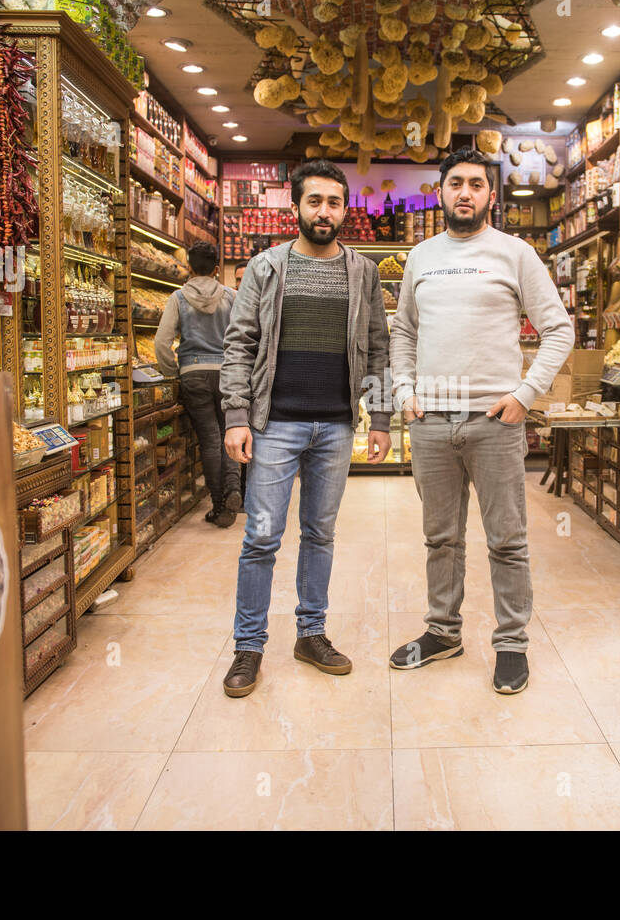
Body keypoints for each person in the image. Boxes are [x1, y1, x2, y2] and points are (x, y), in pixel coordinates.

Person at [388, 146, 575, 695]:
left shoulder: (515, 253)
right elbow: (403, 331)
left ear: (491, 195)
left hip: (495, 421)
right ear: (441, 193)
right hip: (430, 422)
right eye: (455, 184)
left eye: (475, 184)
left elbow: (557, 328)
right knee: (440, 539)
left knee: (507, 540)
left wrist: (526, 394)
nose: (465, 192)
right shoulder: (420, 256)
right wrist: (404, 391)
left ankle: (511, 642)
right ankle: (443, 632)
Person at [218, 159, 392, 698]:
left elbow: (379, 347)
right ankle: (249, 646)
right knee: (262, 536)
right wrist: (237, 416)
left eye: (334, 202)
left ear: (345, 210)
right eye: (314, 201)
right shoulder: (266, 268)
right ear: (295, 207)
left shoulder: (363, 272)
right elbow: (240, 343)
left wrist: (380, 417)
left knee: (320, 533)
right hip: (275, 424)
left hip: (337, 425)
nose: (324, 211)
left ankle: (310, 634)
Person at [154, 241, 242, 528]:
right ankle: (233, 490)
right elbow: (245, 337)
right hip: (229, 373)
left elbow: (162, 343)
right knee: (231, 434)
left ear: (189, 267)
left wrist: (175, 372)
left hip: (193, 373)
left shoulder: (177, 298)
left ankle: (219, 506)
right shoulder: (232, 296)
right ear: (217, 268)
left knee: (210, 439)